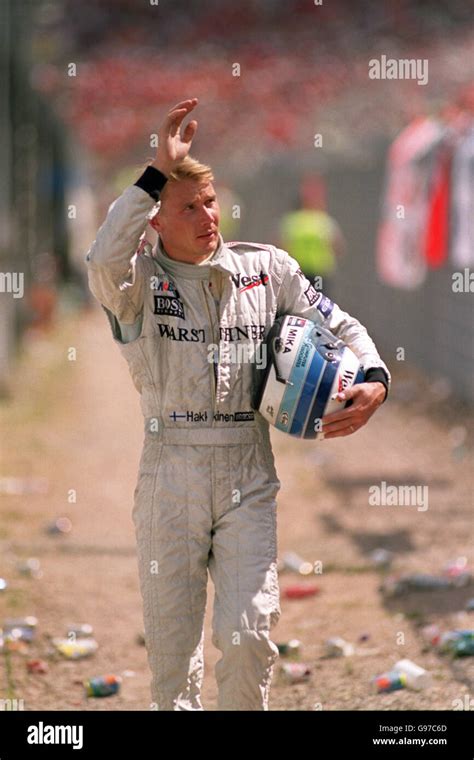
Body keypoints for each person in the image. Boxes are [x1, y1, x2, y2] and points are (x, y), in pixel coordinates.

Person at [85, 98, 390, 711]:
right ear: (156, 221)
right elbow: (101, 260)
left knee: (249, 636)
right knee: (173, 670)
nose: (206, 216)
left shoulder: (267, 269)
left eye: (210, 202)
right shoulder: (136, 284)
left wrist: (376, 378)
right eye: (187, 208)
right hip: (168, 478)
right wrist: (152, 175)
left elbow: (345, 326)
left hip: (248, 474)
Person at [279, 174, 345, 298]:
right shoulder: (322, 221)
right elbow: (337, 247)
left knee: (304, 305)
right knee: (315, 306)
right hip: (311, 272)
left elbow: (282, 245)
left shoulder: (294, 221)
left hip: (305, 272)